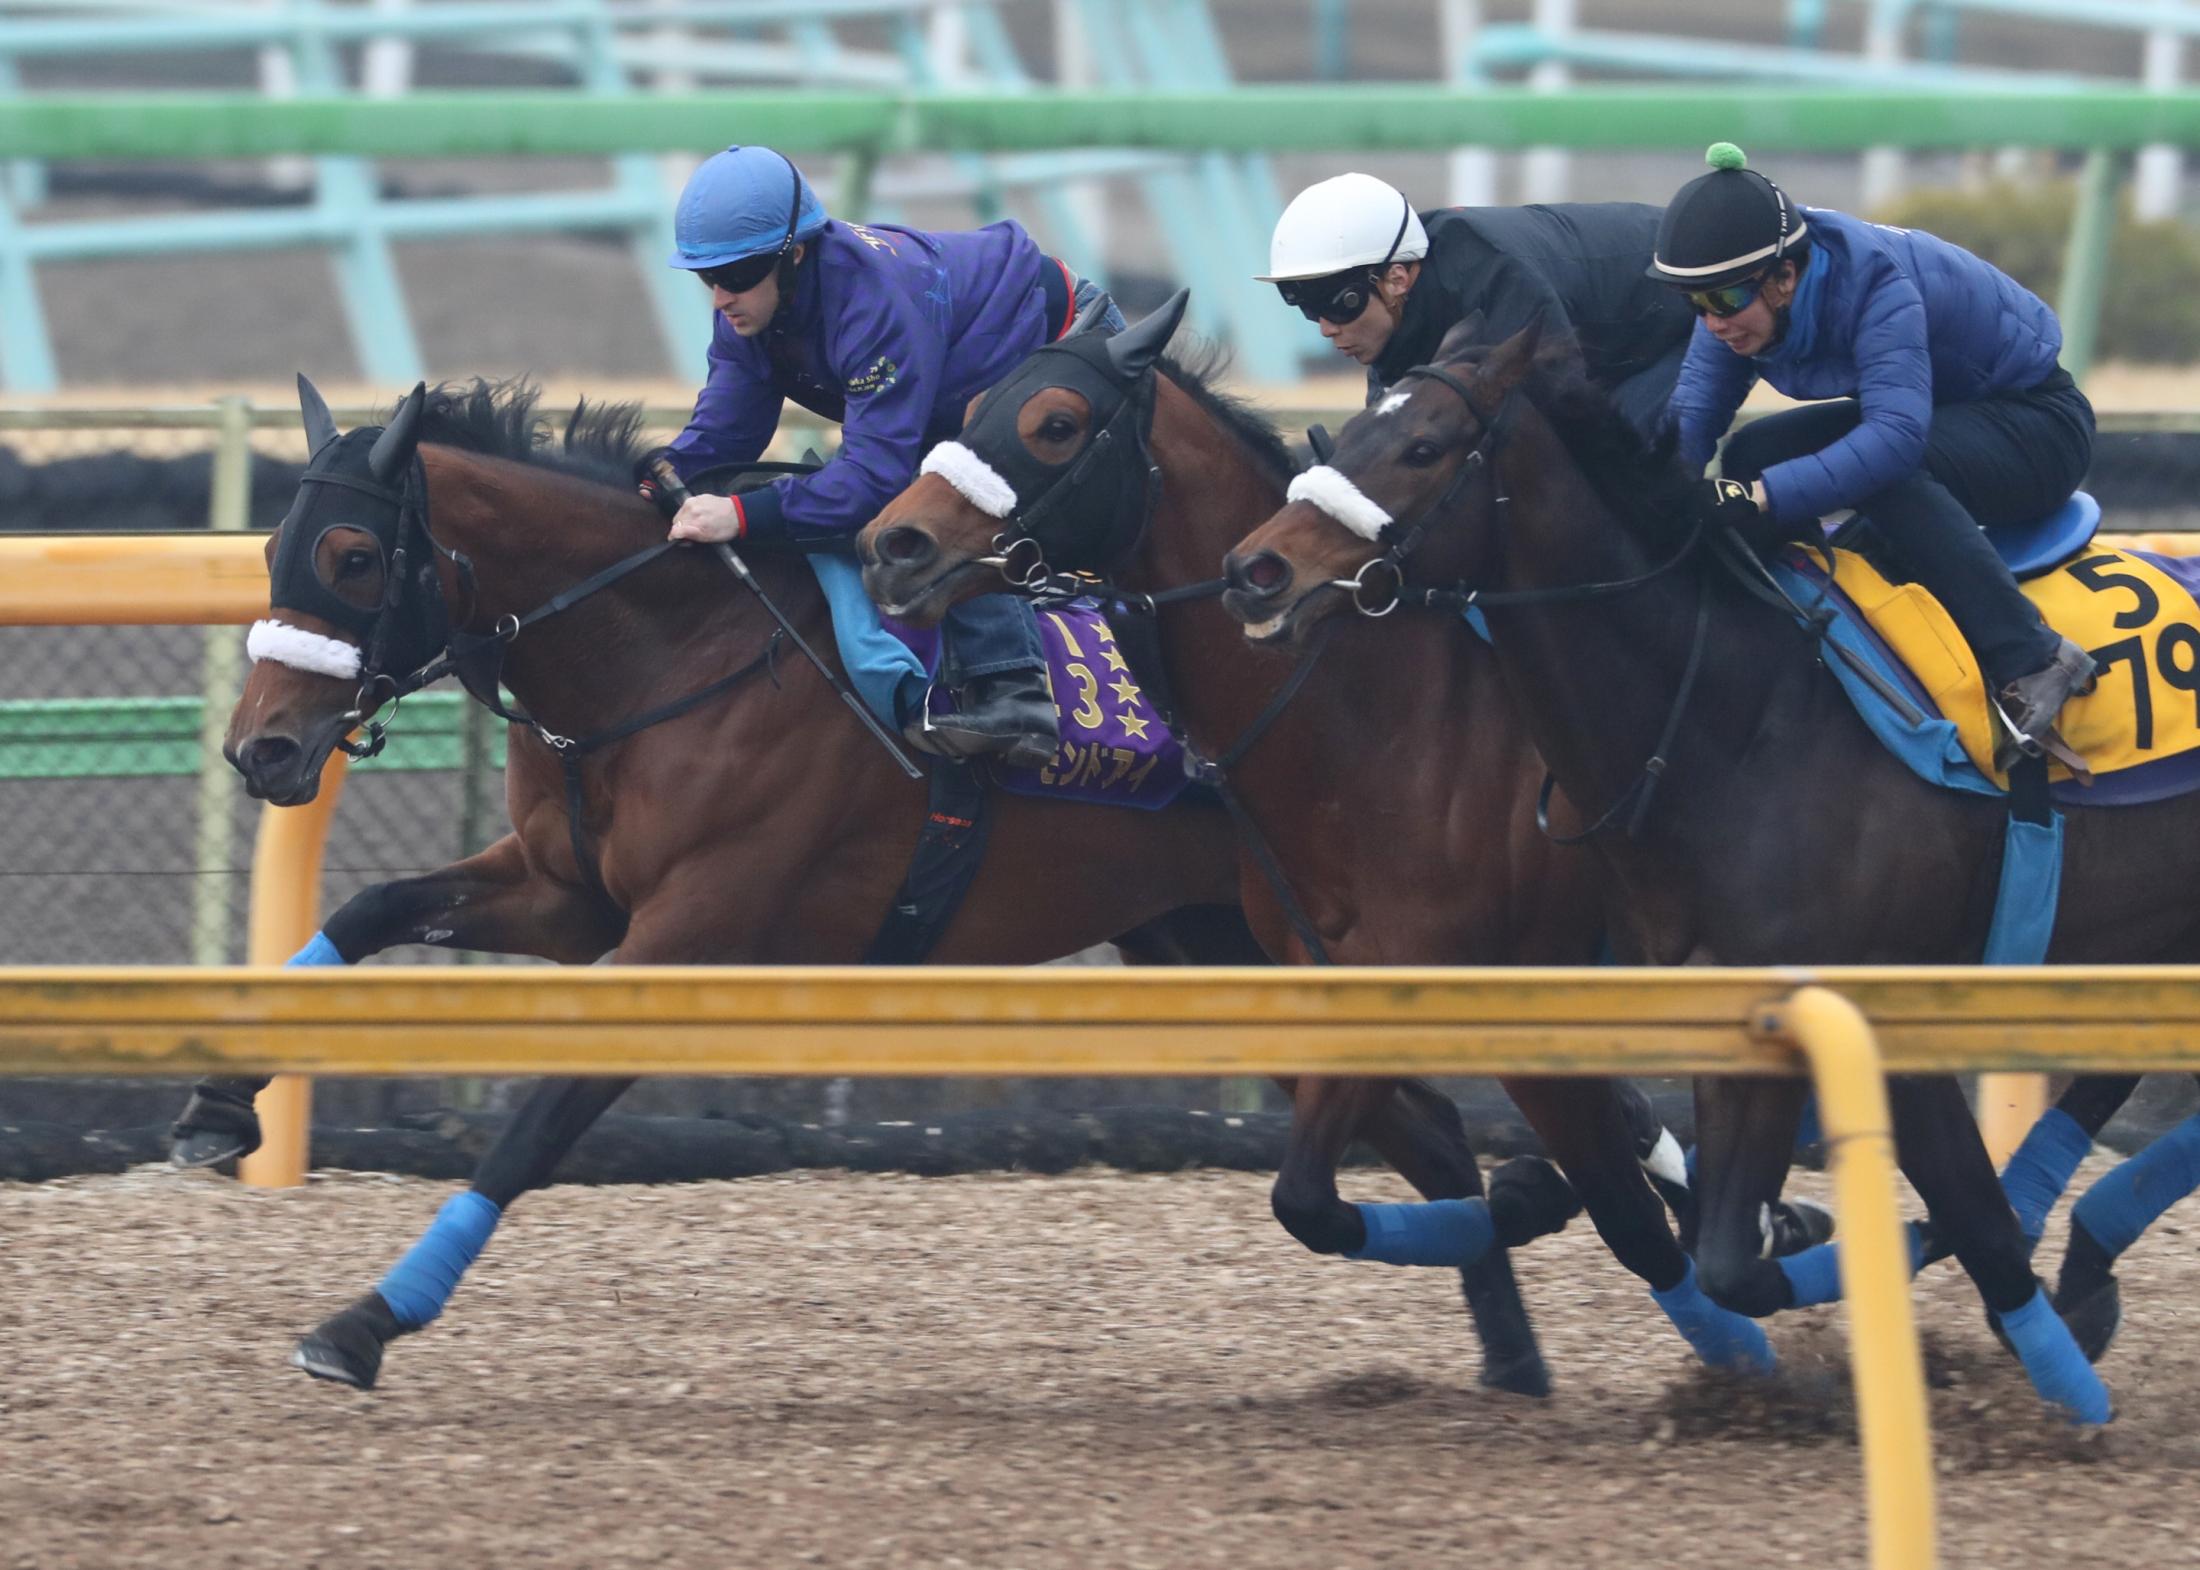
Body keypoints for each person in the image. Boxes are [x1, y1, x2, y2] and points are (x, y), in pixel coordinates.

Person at [654, 144, 1124, 768]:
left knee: (951, 492)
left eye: (736, 275)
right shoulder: (746, 314)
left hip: (1061, 340)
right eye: (706, 277)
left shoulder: (873, 301)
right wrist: (651, 479)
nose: (720, 298)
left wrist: (740, 517)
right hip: (955, 391)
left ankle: (1014, 693)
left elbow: (874, 480)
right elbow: (720, 441)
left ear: (794, 255)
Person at [1652, 142, 2098, 768]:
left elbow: (1893, 441)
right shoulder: (1743, 296)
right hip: (1953, 416)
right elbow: (1690, 425)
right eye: (1695, 303)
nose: (1713, 323)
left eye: (1725, 300)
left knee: (1880, 469)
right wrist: (1641, 504)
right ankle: (1793, 617)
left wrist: (1760, 500)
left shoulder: (1875, 280)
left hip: (2039, 427)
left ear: (1784, 278)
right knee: (1753, 447)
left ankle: (2032, 657)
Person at [1257, 171, 1697, 440]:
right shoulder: (1399, 308)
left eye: (1339, 306)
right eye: (1310, 311)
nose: (1326, 328)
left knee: (1616, 470)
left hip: (1686, 315)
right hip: (1604, 341)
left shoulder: (1493, 276)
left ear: (1396, 278)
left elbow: (1563, 412)